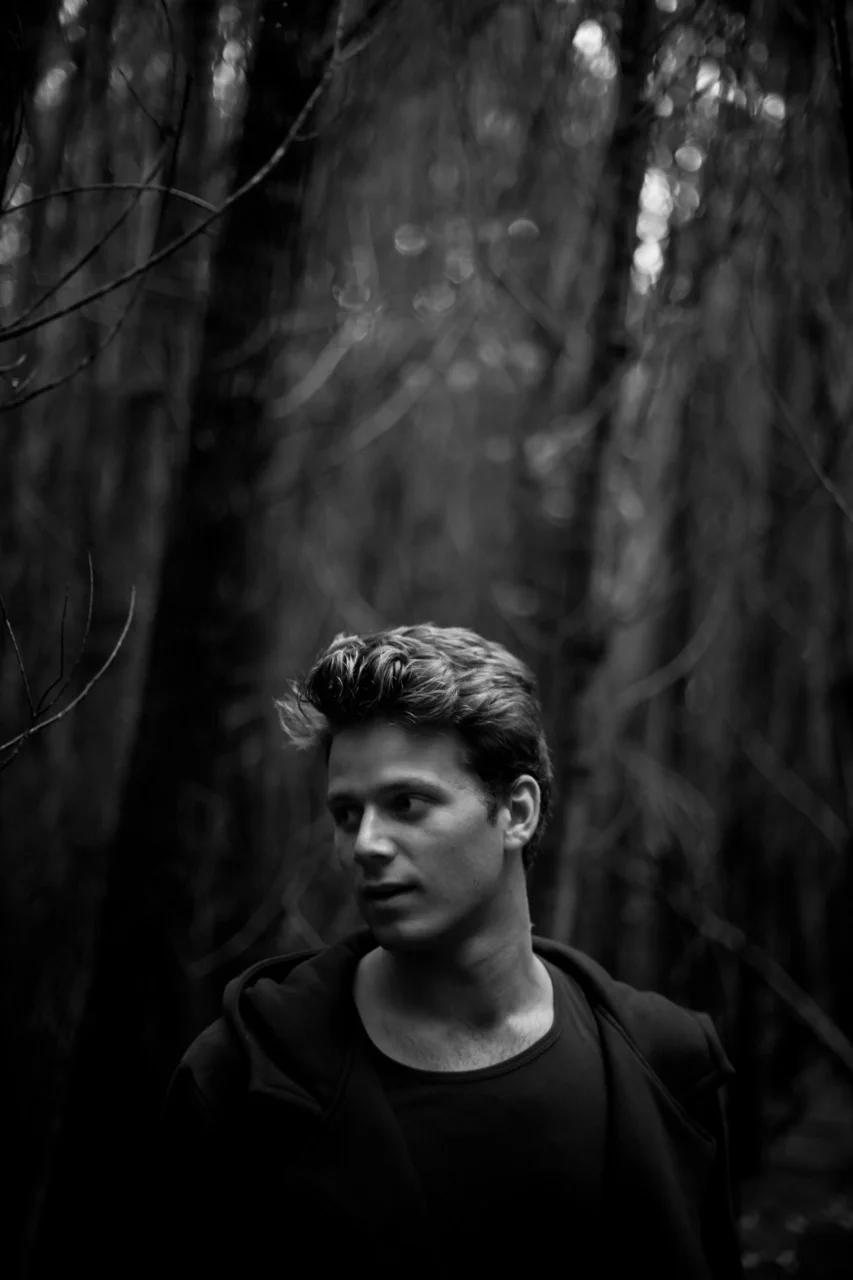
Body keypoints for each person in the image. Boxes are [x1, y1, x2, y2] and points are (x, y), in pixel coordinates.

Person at [156, 624, 744, 1278]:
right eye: (347, 814)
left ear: (516, 811)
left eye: (405, 803)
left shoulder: (665, 1066)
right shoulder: (239, 1079)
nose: (365, 845)